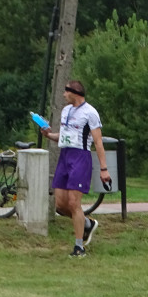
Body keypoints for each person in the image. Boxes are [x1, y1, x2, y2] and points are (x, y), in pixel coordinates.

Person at [38, 80, 112, 258]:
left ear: (75, 92)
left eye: (66, 92)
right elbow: (64, 137)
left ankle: (79, 247)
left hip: (81, 157)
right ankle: (87, 223)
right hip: (65, 156)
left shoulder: (90, 113)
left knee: (73, 203)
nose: (63, 95)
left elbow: (98, 141)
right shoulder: (66, 111)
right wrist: (49, 135)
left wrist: (104, 168)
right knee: (61, 205)